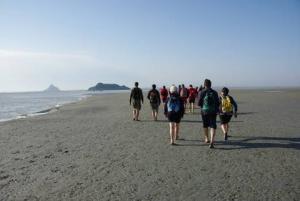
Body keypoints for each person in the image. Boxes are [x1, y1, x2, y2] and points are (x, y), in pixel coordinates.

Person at [198, 79, 219, 148]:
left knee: (205, 125)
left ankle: (207, 138)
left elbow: (199, 103)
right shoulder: (215, 92)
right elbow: (217, 103)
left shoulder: (202, 92)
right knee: (213, 126)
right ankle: (212, 141)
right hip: (213, 111)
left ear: (204, 85)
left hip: (204, 111)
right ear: (211, 85)